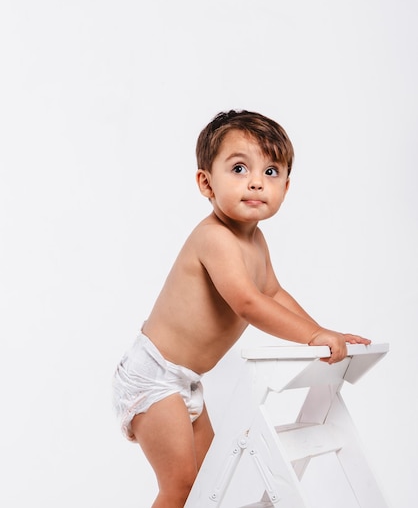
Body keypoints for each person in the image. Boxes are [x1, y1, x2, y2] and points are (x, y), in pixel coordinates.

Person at [113, 109, 371, 508]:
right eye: (238, 168)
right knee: (181, 485)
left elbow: (273, 292)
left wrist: (321, 333)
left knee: (207, 482)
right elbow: (249, 303)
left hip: (187, 380)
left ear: (287, 185)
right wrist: (313, 337)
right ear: (206, 183)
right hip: (154, 375)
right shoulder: (214, 238)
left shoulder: (256, 241)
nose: (256, 181)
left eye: (271, 172)